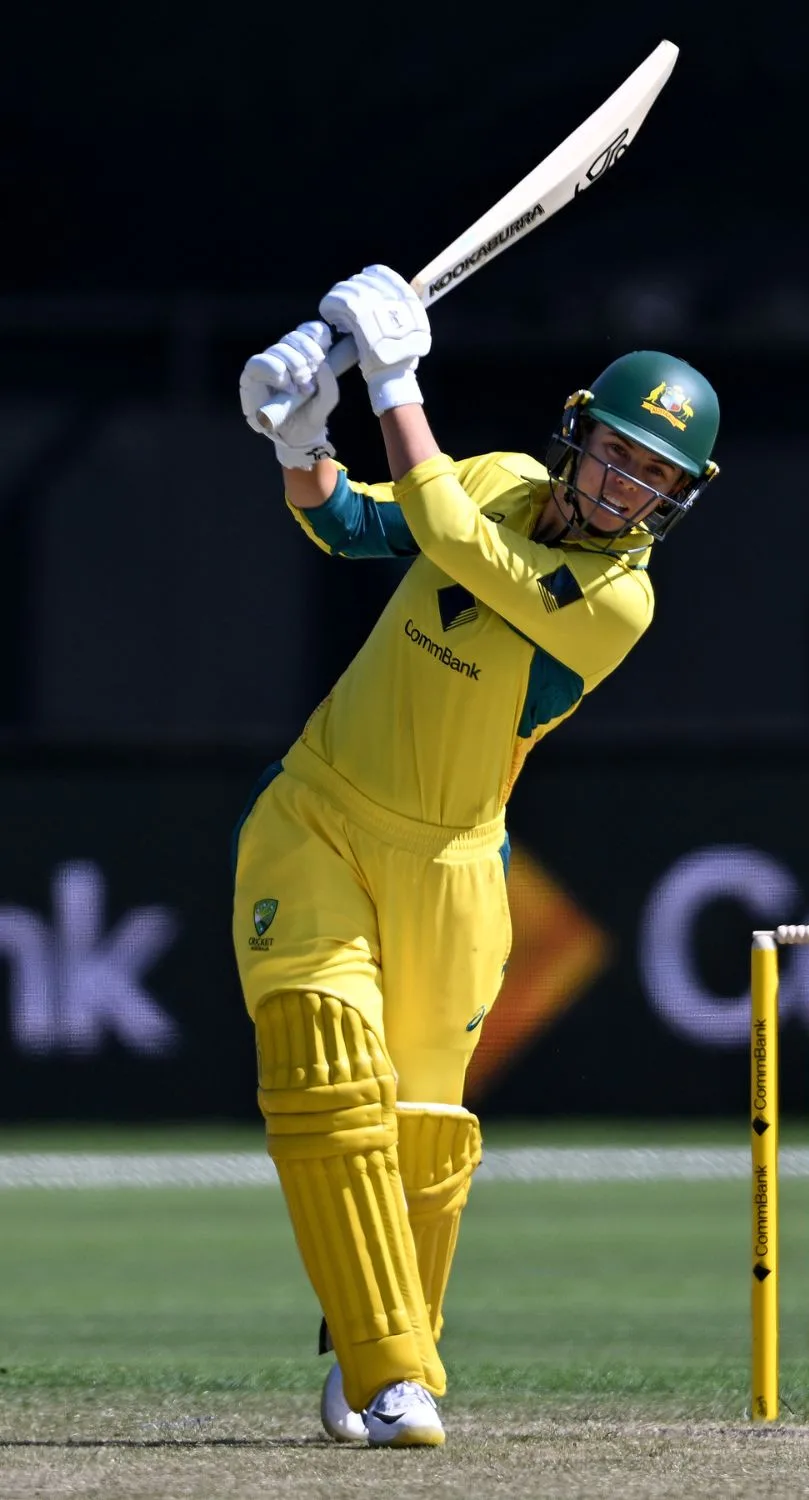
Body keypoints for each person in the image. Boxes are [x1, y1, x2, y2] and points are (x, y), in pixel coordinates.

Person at [233, 265, 720, 1448]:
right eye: (614, 453)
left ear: (675, 501)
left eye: (654, 478)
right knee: (320, 1059)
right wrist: (300, 436)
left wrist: (395, 380)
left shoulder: (614, 602)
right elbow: (357, 521)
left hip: (454, 870)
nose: (623, 489)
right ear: (575, 437)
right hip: (318, 817)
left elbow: (447, 533)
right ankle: (399, 1371)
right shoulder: (499, 478)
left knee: (423, 1137)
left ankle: (370, 1351)